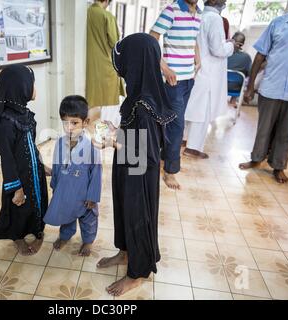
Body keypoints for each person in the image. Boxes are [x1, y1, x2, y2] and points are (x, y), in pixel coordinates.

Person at [95, 33, 176, 296]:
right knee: (123, 211)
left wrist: (112, 141)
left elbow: (146, 155)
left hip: (139, 176)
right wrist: (117, 130)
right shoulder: (137, 97)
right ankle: (125, 253)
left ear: (135, 63)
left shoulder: (144, 105)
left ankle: (138, 273)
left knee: (138, 217)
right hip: (128, 168)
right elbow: (138, 139)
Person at [239, 0, 288, 183]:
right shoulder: (278, 23)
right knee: (264, 127)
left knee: (287, 131)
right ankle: (256, 159)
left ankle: (279, 166)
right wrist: (250, 86)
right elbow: (260, 55)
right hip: (271, 86)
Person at [0, 65, 49, 256]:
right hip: (18, 178)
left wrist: (41, 165)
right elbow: (6, 158)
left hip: (34, 172)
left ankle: (38, 231)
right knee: (19, 209)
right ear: (21, 87)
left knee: (38, 202)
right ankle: (17, 236)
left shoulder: (25, 114)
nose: (34, 89)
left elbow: (31, 144)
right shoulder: (6, 123)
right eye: (32, 84)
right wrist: (17, 187)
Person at [149, 0, 202, 190]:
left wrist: (198, 58)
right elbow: (152, 38)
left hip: (189, 79)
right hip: (173, 80)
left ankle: (163, 157)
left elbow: (194, 39)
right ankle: (170, 171)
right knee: (177, 126)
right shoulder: (171, 10)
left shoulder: (199, 13)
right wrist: (164, 67)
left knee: (172, 122)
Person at [44, 96, 102, 257]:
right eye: (65, 122)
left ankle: (88, 241)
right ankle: (65, 236)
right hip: (66, 190)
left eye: (74, 122)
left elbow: (96, 173)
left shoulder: (92, 146)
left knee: (88, 218)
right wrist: (55, 185)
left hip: (84, 194)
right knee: (66, 214)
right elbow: (56, 166)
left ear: (85, 121)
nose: (69, 127)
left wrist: (92, 196)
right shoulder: (60, 143)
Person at [183, 0, 239, 159]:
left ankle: (183, 139)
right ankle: (193, 148)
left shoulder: (198, 15)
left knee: (191, 108)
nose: (225, 2)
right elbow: (218, 49)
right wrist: (232, 45)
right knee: (203, 111)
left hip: (197, 69)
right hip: (209, 73)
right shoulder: (214, 19)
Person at [86, 0, 125, 129]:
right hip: (107, 66)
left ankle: (93, 129)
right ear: (107, 1)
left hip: (90, 66)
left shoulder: (87, 12)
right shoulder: (107, 16)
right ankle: (106, 132)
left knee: (93, 99)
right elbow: (115, 43)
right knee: (109, 101)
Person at [228, 31, 252, 106]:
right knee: (242, 76)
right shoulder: (247, 57)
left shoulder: (224, 53)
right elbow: (249, 74)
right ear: (243, 44)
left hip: (219, 86)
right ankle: (233, 100)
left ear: (231, 40)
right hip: (235, 89)